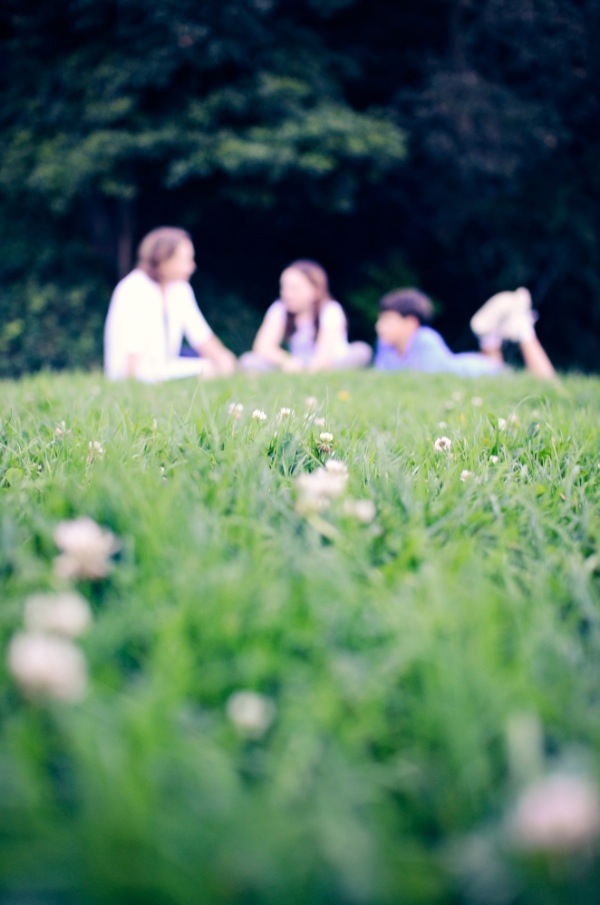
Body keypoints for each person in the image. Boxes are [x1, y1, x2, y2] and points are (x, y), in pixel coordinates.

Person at [104, 227, 237, 382]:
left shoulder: (180, 289)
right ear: (163, 260)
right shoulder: (134, 289)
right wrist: (131, 385)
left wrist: (224, 359)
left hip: (165, 368)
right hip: (135, 372)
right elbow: (131, 353)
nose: (192, 266)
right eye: (185, 260)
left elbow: (200, 334)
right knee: (206, 370)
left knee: (210, 366)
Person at [374, 287, 556, 379]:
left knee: (544, 383)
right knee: (496, 367)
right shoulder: (385, 345)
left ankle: (523, 328)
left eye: (387, 320)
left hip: (474, 369)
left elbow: (425, 379)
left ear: (410, 323)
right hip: (472, 365)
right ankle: (489, 337)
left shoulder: (425, 340)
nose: (379, 326)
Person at [240, 260, 372, 372]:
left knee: (361, 350)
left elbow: (324, 357)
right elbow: (263, 346)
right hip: (296, 363)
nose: (287, 293)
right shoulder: (280, 308)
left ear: (315, 289)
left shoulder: (330, 310)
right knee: (249, 361)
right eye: (284, 287)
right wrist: (288, 362)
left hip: (333, 362)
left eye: (294, 288)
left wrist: (309, 370)